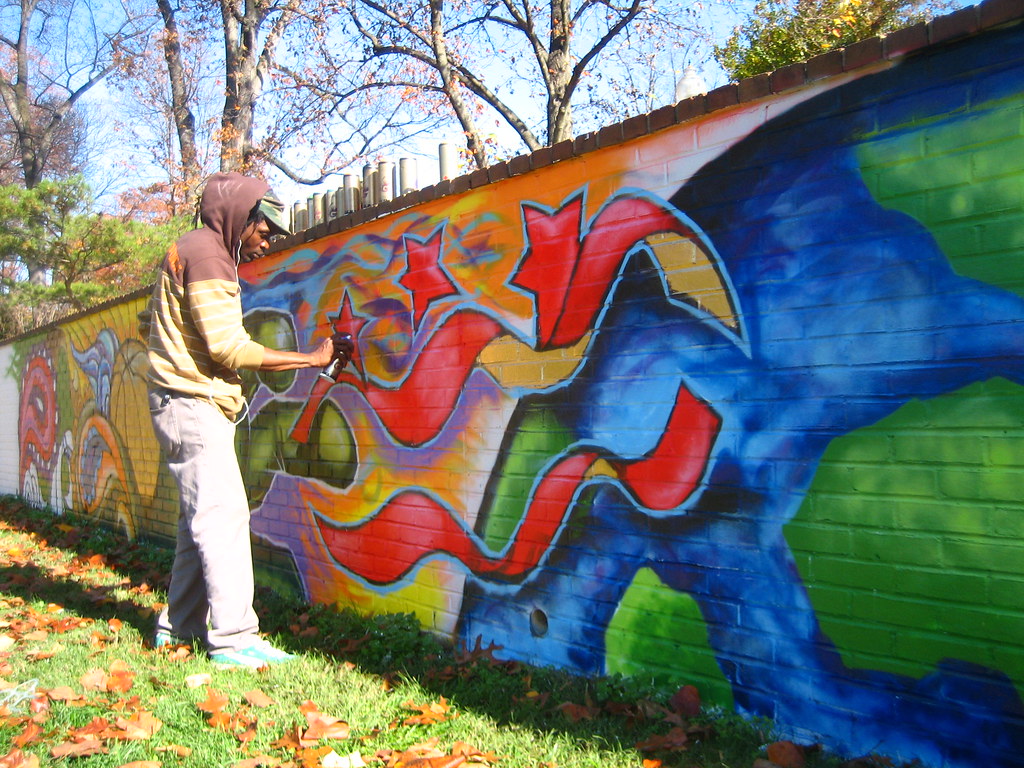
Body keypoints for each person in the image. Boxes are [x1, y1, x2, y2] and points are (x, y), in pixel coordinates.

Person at [139, 172, 352, 669]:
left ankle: (178, 627)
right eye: (264, 230)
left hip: (182, 402)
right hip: (192, 403)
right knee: (225, 517)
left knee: (199, 523)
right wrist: (311, 359)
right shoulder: (208, 255)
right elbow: (228, 347)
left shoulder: (194, 249)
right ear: (241, 218)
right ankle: (234, 639)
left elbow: (161, 325)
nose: (267, 241)